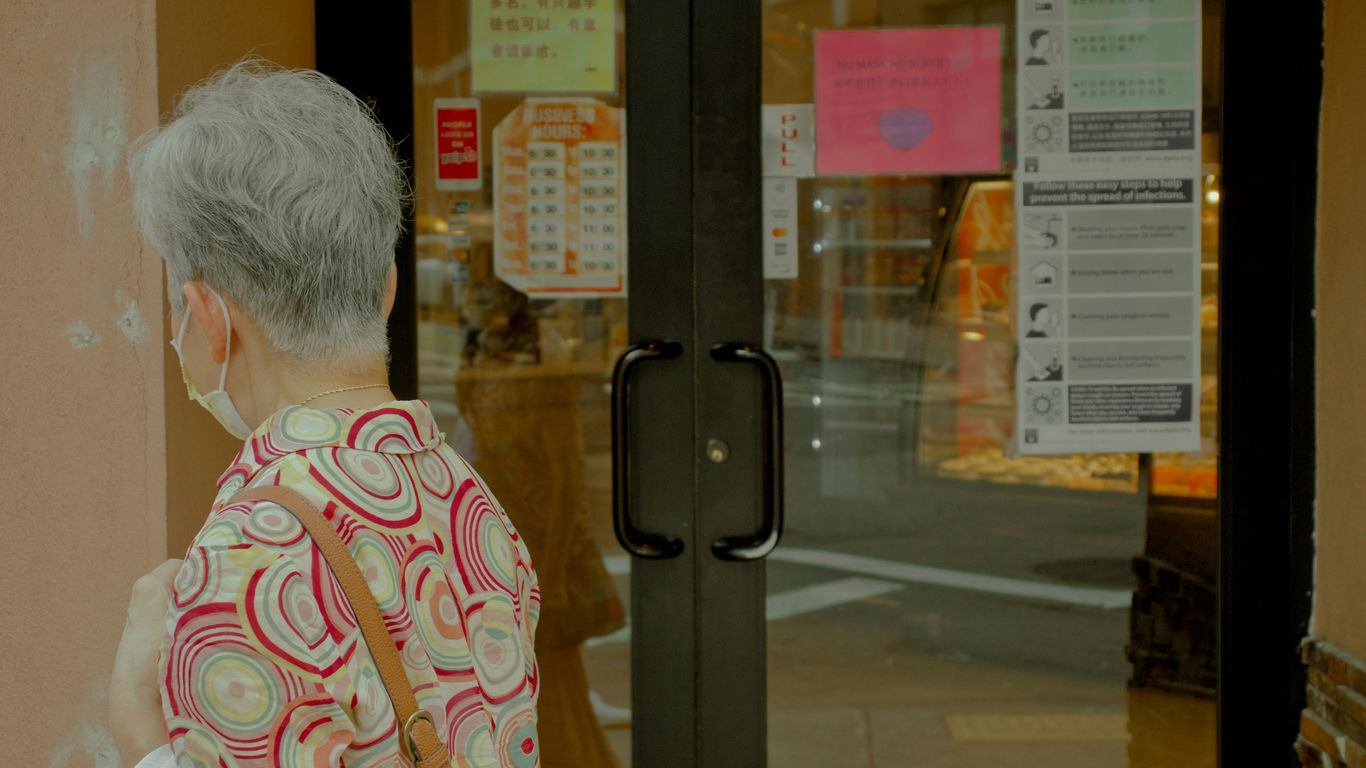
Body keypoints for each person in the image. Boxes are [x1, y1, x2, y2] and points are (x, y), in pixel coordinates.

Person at [110, 61, 540, 768]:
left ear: (210, 318)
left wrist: (138, 731)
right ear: (389, 288)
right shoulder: (465, 493)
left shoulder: (246, 560)